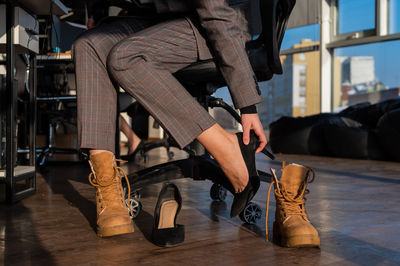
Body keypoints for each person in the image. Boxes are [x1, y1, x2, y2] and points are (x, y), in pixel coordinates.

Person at [74, 0, 319, 247]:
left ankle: (226, 147)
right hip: (154, 21)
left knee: (126, 56)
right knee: (88, 45)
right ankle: (109, 190)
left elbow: (217, 14)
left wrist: (247, 105)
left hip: (211, 24)